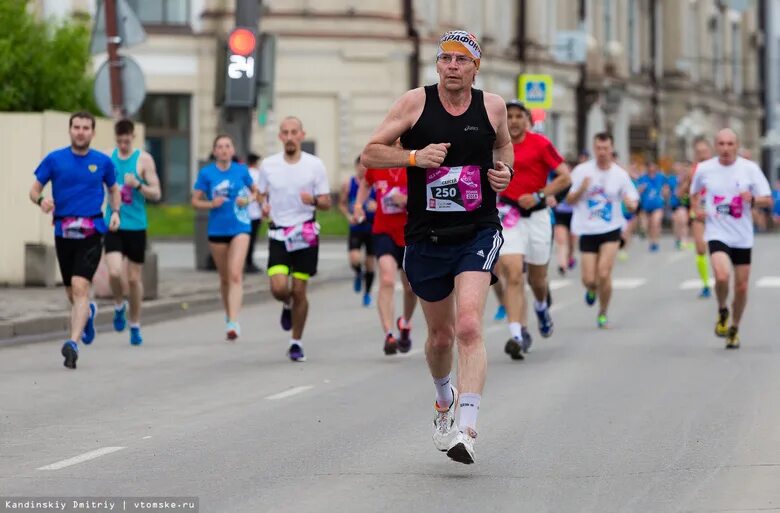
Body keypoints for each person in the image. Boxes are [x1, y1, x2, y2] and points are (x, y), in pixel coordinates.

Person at [361, 30, 512, 464]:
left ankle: (467, 427)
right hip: (426, 236)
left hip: (478, 229)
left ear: (475, 67)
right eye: (444, 58)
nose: (450, 66)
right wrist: (414, 158)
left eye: (460, 60)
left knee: (468, 325)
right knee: (441, 336)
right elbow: (370, 153)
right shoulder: (414, 103)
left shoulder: (492, 106)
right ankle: (443, 398)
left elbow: (503, 145)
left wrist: (505, 172)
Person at [29, 111, 121, 369]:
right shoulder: (55, 160)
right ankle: (88, 313)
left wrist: (115, 213)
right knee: (71, 291)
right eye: (76, 127)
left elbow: (113, 189)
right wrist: (41, 201)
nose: (81, 132)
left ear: (92, 132)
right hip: (63, 232)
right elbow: (34, 189)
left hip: (92, 231)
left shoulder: (102, 162)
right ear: (70, 130)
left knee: (80, 286)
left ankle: (72, 343)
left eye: (85, 128)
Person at [497, 101, 571, 360]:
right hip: (509, 216)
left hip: (537, 216)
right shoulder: (494, 146)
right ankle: (517, 333)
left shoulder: (540, 144)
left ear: (527, 120)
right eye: (510, 116)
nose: (514, 121)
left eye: (519, 116)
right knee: (513, 273)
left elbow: (565, 177)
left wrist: (540, 194)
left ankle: (541, 306)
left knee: (537, 279)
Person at [690, 129, 773, 349]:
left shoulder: (750, 169)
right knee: (722, 274)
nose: (725, 148)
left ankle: (734, 327)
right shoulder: (705, 169)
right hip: (717, 232)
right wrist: (695, 210)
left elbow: (768, 200)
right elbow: (694, 193)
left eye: (730, 144)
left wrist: (753, 199)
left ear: (736, 146)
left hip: (742, 236)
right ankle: (721, 309)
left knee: (742, 287)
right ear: (716, 146)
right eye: (721, 144)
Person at [258, 116, 331, 363]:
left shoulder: (315, 165)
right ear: (280, 137)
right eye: (285, 133)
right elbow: (260, 195)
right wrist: (264, 207)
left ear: (302, 135)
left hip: (305, 233)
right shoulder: (268, 165)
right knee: (279, 288)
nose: (289, 137)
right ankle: (286, 303)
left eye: (294, 132)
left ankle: (296, 342)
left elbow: (327, 203)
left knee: (300, 290)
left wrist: (313, 200)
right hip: (279, 233)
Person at [567, 133, 639, 329]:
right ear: (594, 148)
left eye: (605, 148)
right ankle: (591, 289)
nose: (602, 152)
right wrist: (582, 188)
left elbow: (632, 199)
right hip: (588, 230)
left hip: (611, 229)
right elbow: (568, 200)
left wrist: (631, 204)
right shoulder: (582, 171)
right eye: (598, 148)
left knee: (604, 273)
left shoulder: (620, 174)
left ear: (611, 149)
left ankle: (603, 313)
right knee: (589, 279)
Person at [192, 135, 257, 341]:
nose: (223, 150)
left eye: (227, 146)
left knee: (236, 274)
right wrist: (211, 204)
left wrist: (246, 199)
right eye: (219, 147)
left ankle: (234, 322)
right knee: (224, 278)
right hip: (217, 230)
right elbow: (195, 201)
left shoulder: (241, 170)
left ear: (233, 149)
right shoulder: (207, 173)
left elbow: (256, 193)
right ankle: (229, 314)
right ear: (214, 151)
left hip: (240, 226)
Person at [103, 119, 161, 346]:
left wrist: (138, 185)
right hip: (114, 223)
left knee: (134, 278)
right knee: (115, 272)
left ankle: (135, 324)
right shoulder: (108, 157)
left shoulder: (144, 159)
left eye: (127, 141)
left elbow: (156, 193)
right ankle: (119, 304)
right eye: (120, 141)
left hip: (136, 225)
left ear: (133, 137)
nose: (123, 145)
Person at [354, 154, 417, 355]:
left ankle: (405, 323)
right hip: (384, 231)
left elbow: (429, 192)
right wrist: (358, 205)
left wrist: (407, 201)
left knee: (410, 287)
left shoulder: (416, 161)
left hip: (411, 232)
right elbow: (366, 183)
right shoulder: (378, 162)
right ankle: (389, 334)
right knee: (387, 278)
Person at [339, 156, 376, 307]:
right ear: (355, 167)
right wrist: (348, 216)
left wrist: (377, 206)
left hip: (371, 226)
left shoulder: (374, 184)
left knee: (370, 263)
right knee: (354, 259)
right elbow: (341, 204)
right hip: (356, 227)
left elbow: (386, 203)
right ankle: (357, 273)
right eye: (360, 166)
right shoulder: (349, 184)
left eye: (365, 166)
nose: (362, 169)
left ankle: (367, 293)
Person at [680, 137, 715, 298]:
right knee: (701, 248)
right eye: (699, 152)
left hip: (717, 214)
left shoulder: (719, 167)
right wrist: (687, 183)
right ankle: (706, 283)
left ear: (710, 151)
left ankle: (722, 276)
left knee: (718, 249)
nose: (702, 154)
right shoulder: (692, 170)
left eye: (705, 151)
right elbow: (681, 195)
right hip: (698, 213)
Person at [637, 161, 668, 252]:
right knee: (649, 225)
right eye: (649, 167)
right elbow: (637, 191)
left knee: (655, 223)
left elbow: (666, 189)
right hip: (645, 206)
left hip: (658, 205)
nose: (651, 169)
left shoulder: (661, 177)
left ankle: (655, 242)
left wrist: (665, 192)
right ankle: (651, 242)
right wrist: (640, 189)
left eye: (653, 167)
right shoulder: (643, 178)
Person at [245, 152, 264, 274]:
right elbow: (260, 194)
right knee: (251, 240)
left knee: (243, 239)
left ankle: (243, 261)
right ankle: (249, 263)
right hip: (255, 212)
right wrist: (263, 210)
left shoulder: (244, 174)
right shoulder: (258, 175)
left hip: (243, 212)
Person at [667, 161, 691, 249]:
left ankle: (684, 239)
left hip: (684, 203)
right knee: (677, 222)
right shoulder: (671, 179)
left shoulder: (687, 178)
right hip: (674, 203)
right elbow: (670, 192)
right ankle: (678, 239)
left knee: (683, 221)